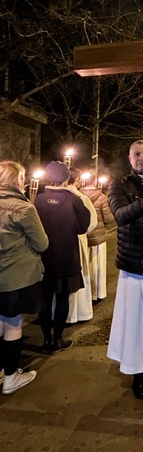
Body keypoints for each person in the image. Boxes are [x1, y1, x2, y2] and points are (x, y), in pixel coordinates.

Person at [107, 140, 143, 399]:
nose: (141, 158)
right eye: (136, 154)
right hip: (134, 264)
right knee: (136, 323)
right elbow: (120, 215)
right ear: (130, 158)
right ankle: (138, 373)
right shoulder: (119, 184)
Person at [0, 160, 48, 394]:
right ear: (17, 180)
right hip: (15, 277)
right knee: (13, 325)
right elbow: (42, 242)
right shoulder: (24, 208)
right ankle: (11, 377)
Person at [34, 161, 91, 353]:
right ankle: (58, 339)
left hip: (43, 257)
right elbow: (83, 227)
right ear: (66, 178)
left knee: (45, 298)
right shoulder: (74, 199)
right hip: (67, 255)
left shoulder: (38, 200)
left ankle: (46, 339)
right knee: (63, 298)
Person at [66, 167, 98, 323]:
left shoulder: (52, 196)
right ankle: (79, 313)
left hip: (57, 242)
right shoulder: (81, 198)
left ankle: (60, 314)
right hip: (78, 240)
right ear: (77, 180)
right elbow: (92, 223)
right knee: (80, 275)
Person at [81, 183, 114, 301]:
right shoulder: (102, 197)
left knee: (85, 266)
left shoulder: (79, 195)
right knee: (98, 265)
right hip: (98, 236)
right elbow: (109, 218)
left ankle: (86, 293)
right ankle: (98, 293)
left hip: (84, 236)